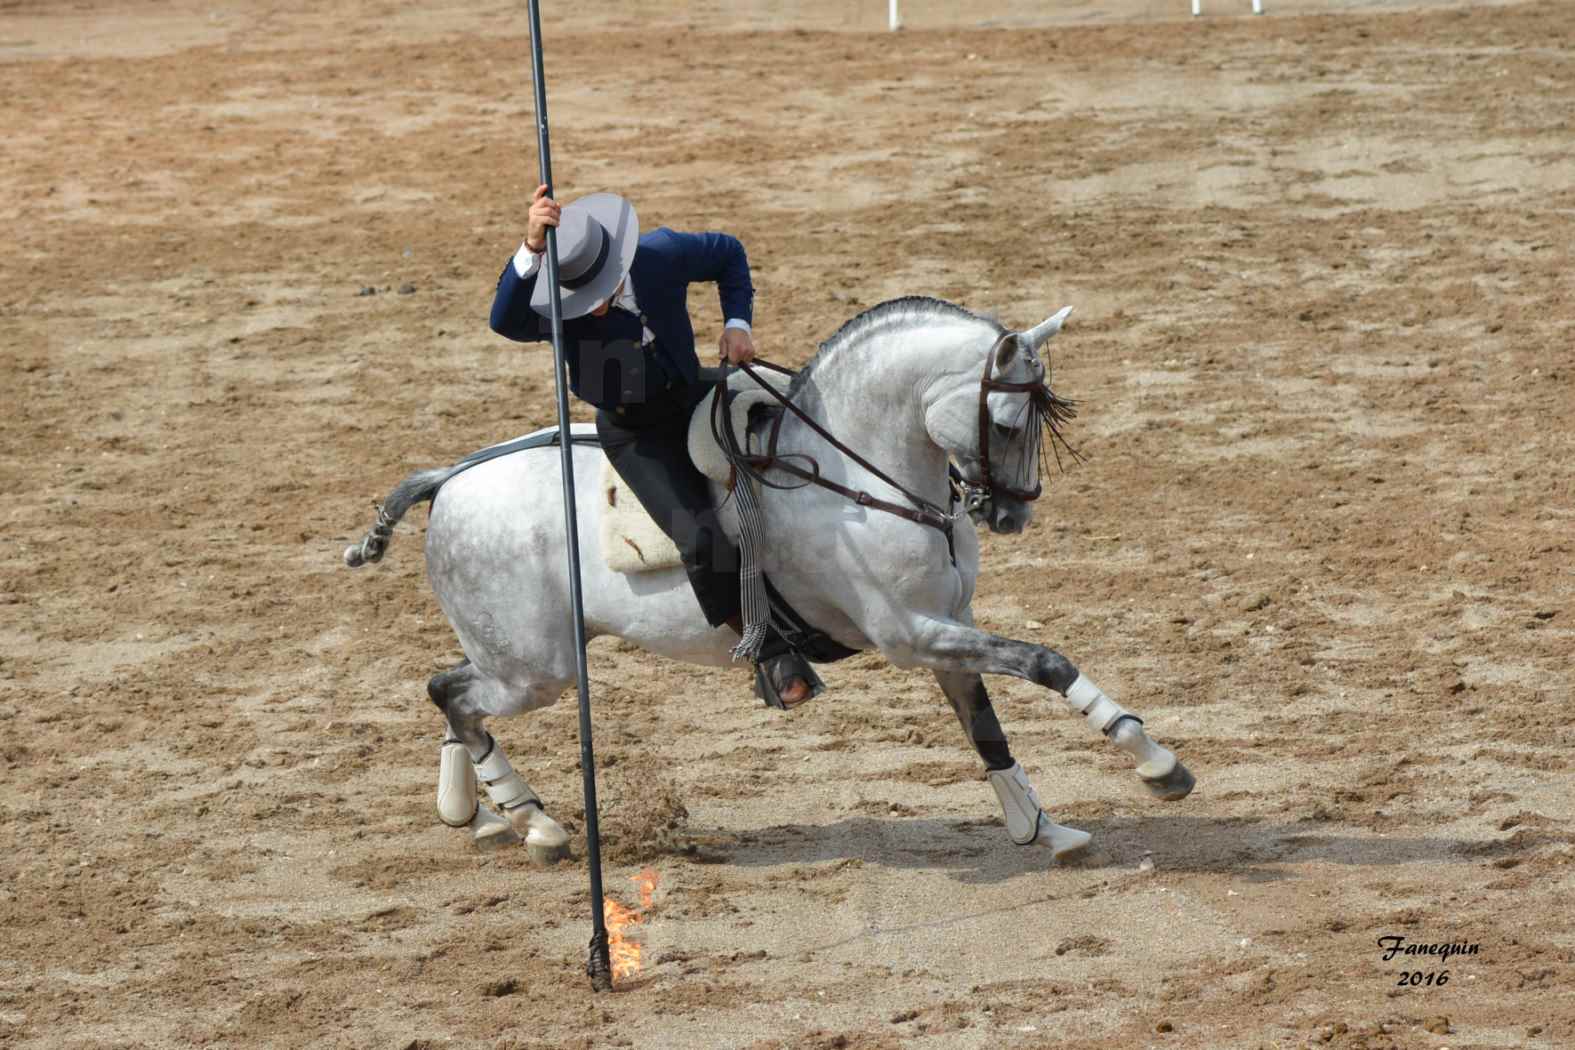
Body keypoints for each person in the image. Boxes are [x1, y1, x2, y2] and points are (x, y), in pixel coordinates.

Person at [489, 185, 814, 708]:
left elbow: (728, 253)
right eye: (578, 299)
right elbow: (503, 320)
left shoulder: (660, 254)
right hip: (636, 432)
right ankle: (770, 650)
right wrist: (530, 247)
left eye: (597, 296)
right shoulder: (557, 307)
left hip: (692, 392)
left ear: (618, 270)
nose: (589, 311)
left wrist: (736, 324)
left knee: (801, 413)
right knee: (700, 539)